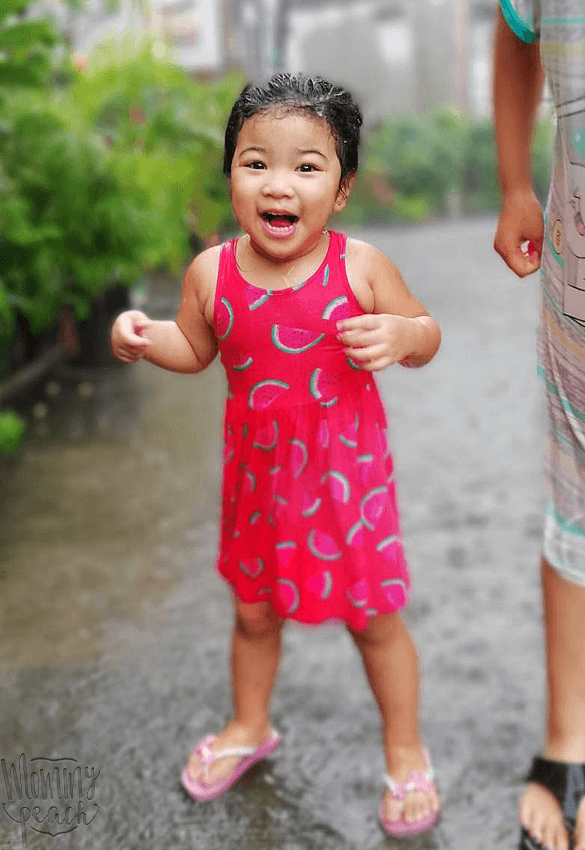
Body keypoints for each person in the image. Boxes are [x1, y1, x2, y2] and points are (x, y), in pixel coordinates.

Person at [111, 73, 441, 838]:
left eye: (306, 165)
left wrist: (402, 336)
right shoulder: (210, 274)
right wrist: (139, 335)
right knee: (254, 614)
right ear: (229, 174)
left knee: (373, 620)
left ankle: (404, 748)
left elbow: (424, 330)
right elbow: (194, 347)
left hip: (346, 482)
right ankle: (248, 724)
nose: (277, 184)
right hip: (258, 483)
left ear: (342, 188)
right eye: (255, 162)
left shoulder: (358, 268)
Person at [493, 4, 585, 850]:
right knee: (574, 499)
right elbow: (515, 29)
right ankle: (569, 739)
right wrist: (516, 184)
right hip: (578, 286)